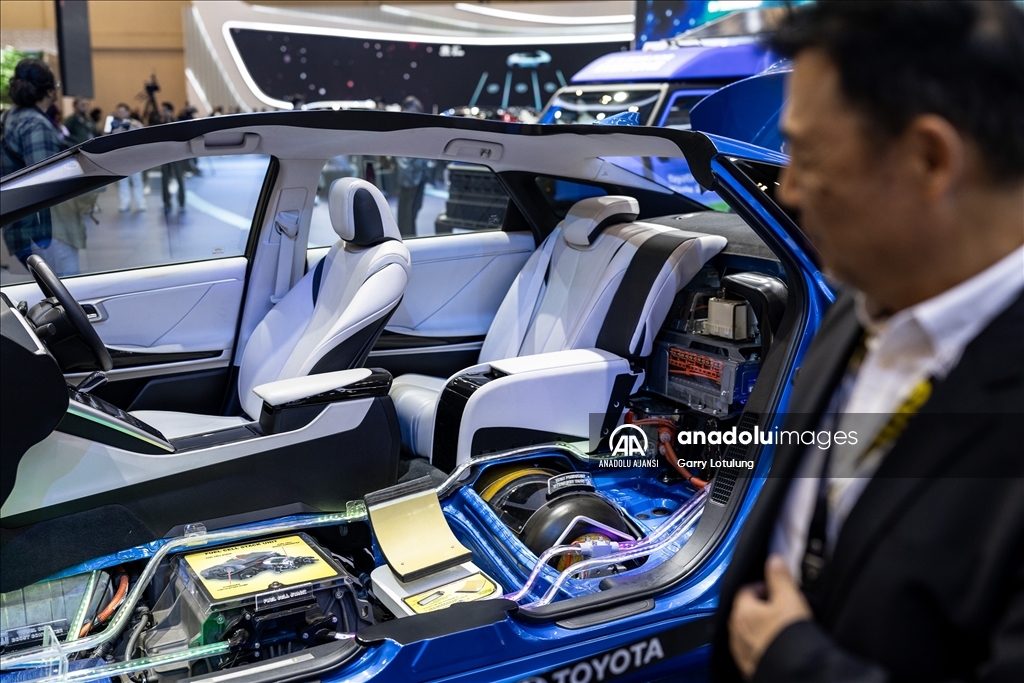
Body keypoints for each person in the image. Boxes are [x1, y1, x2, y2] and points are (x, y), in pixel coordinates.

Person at [711, 2, 1024, 682]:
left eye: (808, 157)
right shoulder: (860, 298)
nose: (788, 189)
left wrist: (795, 663)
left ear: (930, 159)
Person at [0, 59, 72, 269]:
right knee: (65, 285)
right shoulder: (35, 124)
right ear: (49, 91)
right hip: (41, 234)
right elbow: (45, 184)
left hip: (17, 225)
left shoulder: (10, 116)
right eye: (56, 85)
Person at [395, 96, 432, 237]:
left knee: (414, 208)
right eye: (415, 108)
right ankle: (405, 238)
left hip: (419, 174)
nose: (418, 111)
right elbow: (401, 154)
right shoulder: (401, 124)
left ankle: (410, 236)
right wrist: (407, 172)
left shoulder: (416, 124)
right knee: (406, 211)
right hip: (409, 176)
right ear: (406, 108)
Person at [104, 103, 146, 212]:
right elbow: (107, 138)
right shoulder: (114, 124)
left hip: (135, 156)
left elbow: (144, 136)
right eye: (119, 111)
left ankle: (140, 202)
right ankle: (124, 203)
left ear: (128, 112)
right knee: (122, 181)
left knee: (137, 180)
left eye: (123, 111)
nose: (120, 114)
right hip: (121, 157)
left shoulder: (136, 123)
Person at [158, 101, 186, 214]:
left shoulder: (178, 123)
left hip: (177, 155)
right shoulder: (159, 125)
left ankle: (181, 203)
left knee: (180, 179)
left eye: (165, 110)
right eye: (162, 110)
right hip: (164, 155)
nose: (163, 112)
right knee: (165, 180)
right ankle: (166, 202)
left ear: (170, 111)